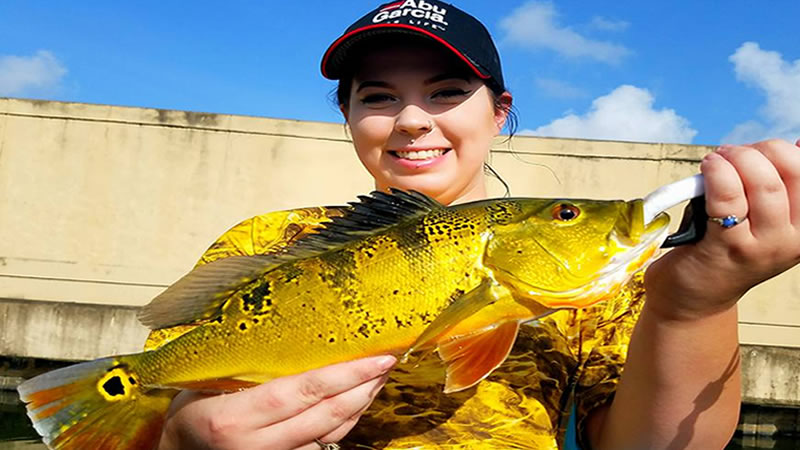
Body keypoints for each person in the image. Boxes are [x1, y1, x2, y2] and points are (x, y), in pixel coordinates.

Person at [154, 1, 800, 448]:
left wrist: (695, 308)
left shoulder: (603, 282)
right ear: (347, 116)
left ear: (499, 112)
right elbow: (142, 400)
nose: (411, 120)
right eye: (377, 97)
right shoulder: (269, 243)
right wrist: (180, 440)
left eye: (446, 91)